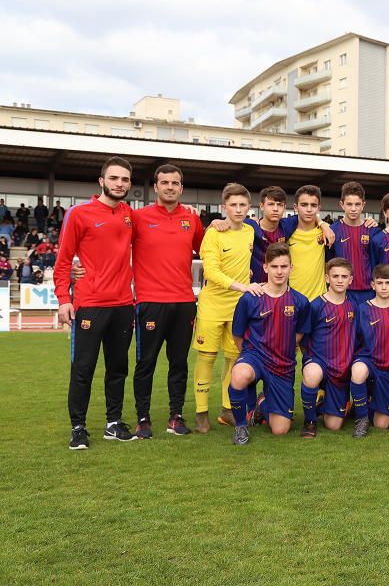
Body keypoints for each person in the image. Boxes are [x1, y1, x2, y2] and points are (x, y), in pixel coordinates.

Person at [54, 156, 137, 450]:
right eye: (114, 178)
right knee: (83, 369)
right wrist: (64, 299)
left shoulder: (130, 215)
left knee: (118, 368)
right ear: (102, 181)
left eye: (125, 179)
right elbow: (64, 260)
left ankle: (113, 423)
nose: (120, 184)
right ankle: (78, 427)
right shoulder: (79, 214)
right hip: (89, 304)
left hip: (124, 306)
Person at [129, 165, 205, 437]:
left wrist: (221, 225)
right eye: (165, 182)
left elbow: (210, 250)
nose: (170, 187)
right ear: (156, 187)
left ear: (181, 188)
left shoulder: (192, 218)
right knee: (145, 363)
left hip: (184, 302)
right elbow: (109, 244)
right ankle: (143, 418)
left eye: (175, 183)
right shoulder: (138, 217)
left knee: (179, 363)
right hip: (150, 302)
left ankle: (176, 416)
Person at [192, 183, 259, 433]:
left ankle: (227, 410)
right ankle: (201, 414)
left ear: (248, 207)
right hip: (212, 305)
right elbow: (211, 271)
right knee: (207, 358)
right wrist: (242, 285)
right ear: (224, 207)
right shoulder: (214, 233)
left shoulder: (250, 231)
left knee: (234, 359)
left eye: (243, 205)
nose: (238, 209)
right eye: (233, 205)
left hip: (237, 307)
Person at [228, 242, 311, 445]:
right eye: (274, 266)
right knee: (240, 374)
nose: (279, 271)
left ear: (291, 268)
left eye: (284, 266)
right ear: (265, 267)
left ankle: (261, 402)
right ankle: (240, 426)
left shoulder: (300, 302)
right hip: (255, 357)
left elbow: (299, 333)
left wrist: (282, 349)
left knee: (280, 430)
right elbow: (237, 335)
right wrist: (247, 355)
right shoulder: (250, 298)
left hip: (282, 365)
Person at [300, 258, 358, 436]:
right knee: (311, 374)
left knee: (334, 425)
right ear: (327, 278)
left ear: (351, 279)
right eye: (335, 276)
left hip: (341, 368)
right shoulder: (315, 306)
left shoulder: (354, 305)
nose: (339, 280)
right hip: (319, 361)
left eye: (344, 276)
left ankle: (323, 402)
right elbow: (304, 341)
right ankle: (309, 421)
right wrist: (310, 361)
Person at [349, 264, 389, 437]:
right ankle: (361, 419)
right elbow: (355, 340)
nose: (384, 287)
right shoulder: (363, 309)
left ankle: (365, 403)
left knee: (382, 424)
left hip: (388, 368)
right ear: (373, 285)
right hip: (368, 361)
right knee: (358, 371)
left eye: (388, 283)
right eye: (380, 283)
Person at [331, 181, 376, 304]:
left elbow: (377, 262)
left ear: (363, 205)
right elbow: (327, 263)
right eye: (349, 204)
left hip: (368, 291)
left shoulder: (372, 230)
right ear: (342, 205)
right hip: (342, 292)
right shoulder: (332, 231)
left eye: (357, 204)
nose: (353, 209)